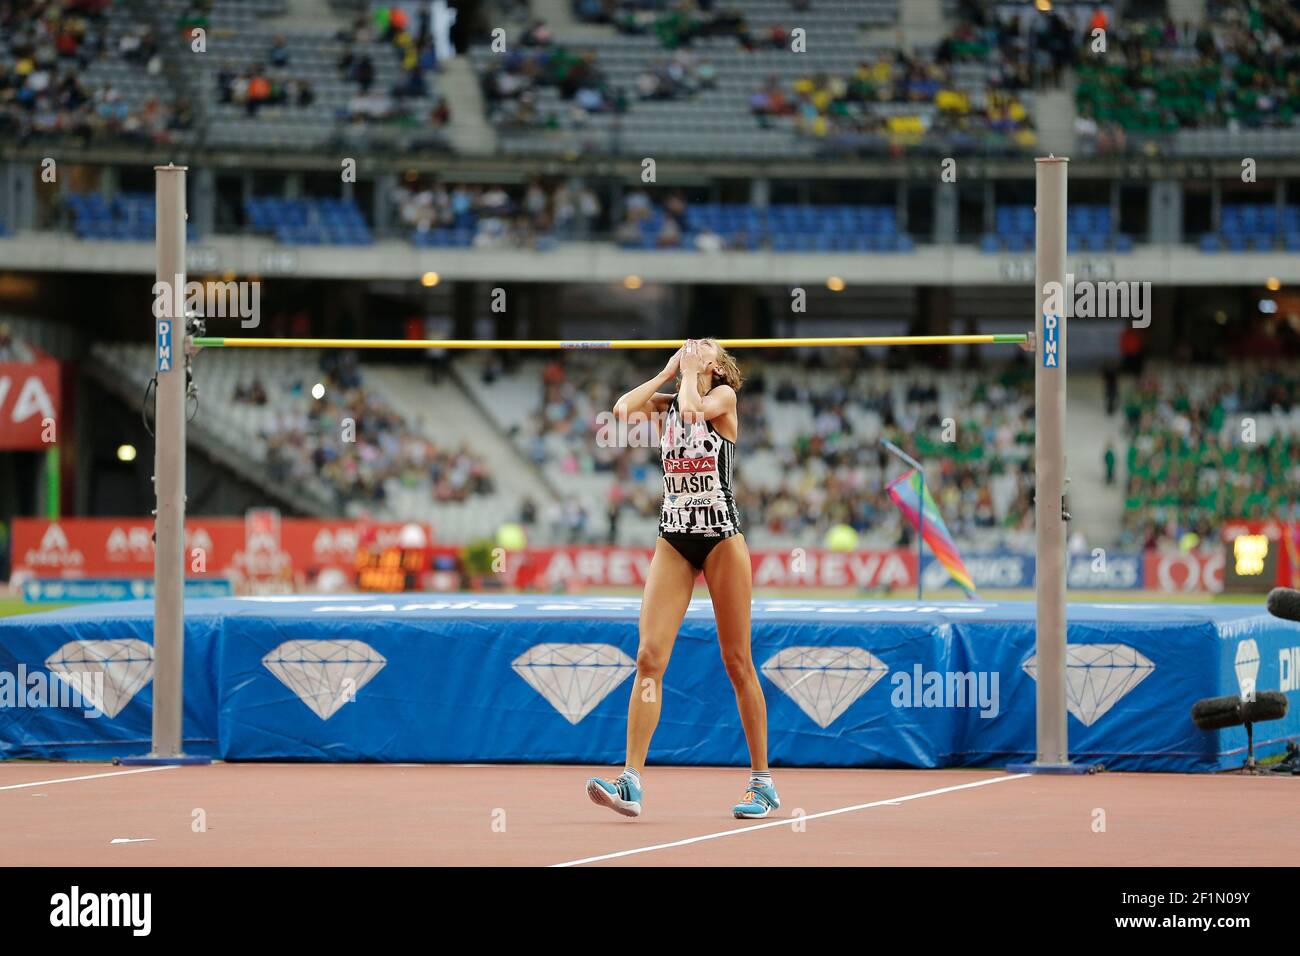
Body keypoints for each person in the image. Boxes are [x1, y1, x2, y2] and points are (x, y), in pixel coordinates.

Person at [586, 339, 778, 820]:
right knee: (649, 657)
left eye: (702, 349)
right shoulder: (670, 401)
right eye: (689, 347)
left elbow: (695, 414)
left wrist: (689, 376)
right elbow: (620, 408)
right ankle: (631, 780)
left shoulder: (722, 400)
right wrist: (667, 370)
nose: (692, 349)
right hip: (674, 538)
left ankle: (763, 781)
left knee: (737, 662)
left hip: (720, 540)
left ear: (716, 364)